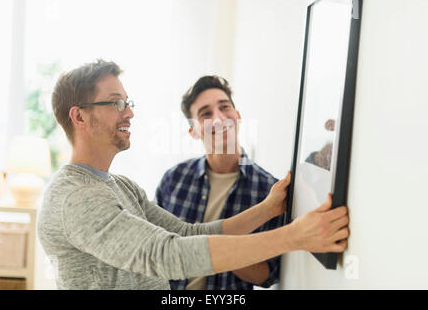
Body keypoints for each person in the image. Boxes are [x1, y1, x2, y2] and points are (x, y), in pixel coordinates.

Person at [37, 59, 349, 290]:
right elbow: (167, 254)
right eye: (117, 103)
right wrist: (294, 236)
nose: (130, 112)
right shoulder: (77, 197)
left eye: (128, 102)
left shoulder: (121, 186)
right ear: (78, 116)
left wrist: (267, 209)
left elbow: (187, 234)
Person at [155, 76, 282, 290]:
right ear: (193, 131)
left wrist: (223, 252)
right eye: (206, 114)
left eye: (224, 107)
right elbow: (154, 250)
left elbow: (268, 275)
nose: (218, 119)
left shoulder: (269, 191)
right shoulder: (173, 180)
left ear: (238, 116)